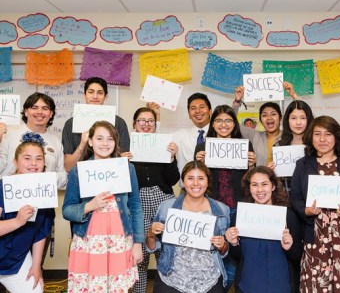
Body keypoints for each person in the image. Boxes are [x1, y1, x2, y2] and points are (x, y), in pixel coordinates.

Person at [62, 120, 144, 292]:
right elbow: (67, 210)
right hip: (89, 241)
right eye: (99, 138)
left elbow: (136, 206)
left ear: (116, 143)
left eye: (110, 139)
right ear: (90, 141)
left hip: (119, 241)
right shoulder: (78, 171)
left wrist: (138, 243)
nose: (105, 144)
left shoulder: (128, 169)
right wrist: (89, 206)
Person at [194, 104, 256, 291]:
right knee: (211, 253)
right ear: (213, 124)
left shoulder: (245, 145)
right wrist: (197, 161)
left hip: (238, 208)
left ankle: (224, 287)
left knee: (234, 256)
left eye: (228, 120)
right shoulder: (203, 146)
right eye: (219, 120)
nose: (223, 124)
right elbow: (197, 179)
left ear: (234, 124)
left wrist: (252, 165)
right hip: (213, 209)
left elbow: (251, 181)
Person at [146, 161, 230, 293]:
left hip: (209, 280)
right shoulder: (166, 207)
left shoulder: (222, 210)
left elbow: (224, 252)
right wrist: (150, 233)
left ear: (208, 182)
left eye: (201, 178)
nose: (195, 183)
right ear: (183, 182)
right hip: (171, 279)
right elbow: (151, 247)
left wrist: (222, 246)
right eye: (190, 178)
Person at [291, 116, 340, 292]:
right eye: (317, 134)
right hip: (315, 237)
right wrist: (306, 210)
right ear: (311, 137)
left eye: (328, 134)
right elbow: (295, 197)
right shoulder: (302, 164)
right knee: (316, 286)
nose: (322, 139)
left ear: (336, 137)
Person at [125, 107, 180, 293]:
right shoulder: (126, 149)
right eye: (142, 120)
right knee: (139, 250)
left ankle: (168, 289)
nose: (146, 124)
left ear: (155, 124)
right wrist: (121, 163)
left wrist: (172, 158)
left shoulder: (164, 146)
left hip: (163, 199)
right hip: (137, 200)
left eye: (150, 121)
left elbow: (173, 180)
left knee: (165, 249)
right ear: (134, 124)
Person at [226, 166, 302, 293]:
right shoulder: (240, 215)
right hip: (247, 286)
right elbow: (236, 256)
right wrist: (233, 243)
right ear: (249, 188)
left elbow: (298, 256)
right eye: (254, 185)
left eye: (264, 184)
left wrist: (289, 247)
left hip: (281, 287)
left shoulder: (288, 216)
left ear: (272, 186)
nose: (260, 190)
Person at [0, 133, 54, 293]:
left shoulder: (44, 192)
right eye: (27, 158)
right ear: (15, 162)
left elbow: (41, 232)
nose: (33, 163)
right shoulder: (3, 187)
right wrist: (17, 221)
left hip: (17, 258)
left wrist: (36, 266)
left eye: (39, 158)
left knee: (34, 289)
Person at [62, 77, 130, 172]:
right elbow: (68, 167)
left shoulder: (119, 123)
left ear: (105, 97)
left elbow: (124, 160)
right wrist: (81, 145)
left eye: (100, 93)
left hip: (111, 177)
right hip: (81, 177)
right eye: (91, 92)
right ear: (84, 95)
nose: (95, 96)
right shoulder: (70, 124)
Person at [0, 92, 67, 188]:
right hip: (9, 195)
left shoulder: (55, 141)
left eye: (45, 108)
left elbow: (62, 177)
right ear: (26, 111)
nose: (39, 112)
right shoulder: (7, 133)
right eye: (34, 108)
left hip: (41, 197)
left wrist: (42, 179)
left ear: (51, 114)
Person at [232, 82, 298, 166]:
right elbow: (232, 123)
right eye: (264, 115)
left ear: (280, 118)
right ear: (260, 120)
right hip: (259, 178)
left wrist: (293, 95)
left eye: (273, 114)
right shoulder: (255, 136)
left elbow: (305, 117)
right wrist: (237, 101)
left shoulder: (289, 135)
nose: (269, 118)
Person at [275, 100, 314, 193]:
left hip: (311, 201)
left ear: (309, 120)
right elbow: (278, 183)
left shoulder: (316, 146)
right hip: (287, 200)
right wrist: (272, 172)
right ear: (287, 120)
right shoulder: (278, 147)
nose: (298, 122)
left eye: (303, 118)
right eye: (293, 118)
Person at [173, 93, 212, 174]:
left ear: (210, 111)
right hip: (187, 186)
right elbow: (160, 143)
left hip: (214, 186)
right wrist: (156, 118)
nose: (198, 111)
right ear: (189, 114)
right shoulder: (181, 135)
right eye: (193, 108)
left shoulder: (220, 134)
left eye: (202, 107)